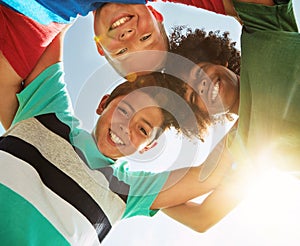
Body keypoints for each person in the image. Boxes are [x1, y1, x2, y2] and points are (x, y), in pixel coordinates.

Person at [0, 8, 243, 244]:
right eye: (124, 110)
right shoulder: (48, 109)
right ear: (103, 103)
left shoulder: (127, 190)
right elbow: (51, 19)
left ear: (148, 147)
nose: (125, 127)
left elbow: (213, 176)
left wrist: (253, 102)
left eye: (142, 130)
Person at [163, 0, 300, 229]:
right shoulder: (242, 147)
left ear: (218, 60)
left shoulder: (262, 33)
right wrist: (139, 197)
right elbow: (202, 218)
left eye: (199, 73)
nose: (203, 86)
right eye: (194, 98)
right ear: (203, 116)